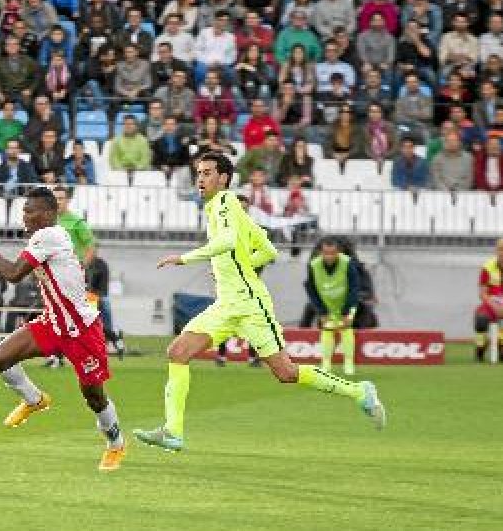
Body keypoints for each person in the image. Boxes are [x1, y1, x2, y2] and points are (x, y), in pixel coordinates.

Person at [133, 152, 385, 452]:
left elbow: (227, 242)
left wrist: (185, 258)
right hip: (228, 303)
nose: (201, 178)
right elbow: (268, 250)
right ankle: (173, 432)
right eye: (198, 173)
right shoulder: (228, 209)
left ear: (224, 178)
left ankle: (359, 391)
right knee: (177, 352)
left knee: (286, 373)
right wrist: (238, 268)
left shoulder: (225, 203)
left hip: (251, 305)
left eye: (208, 173)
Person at [0, 187, 127, 472]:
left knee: (94, 396)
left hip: (80, 329)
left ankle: (116, 443)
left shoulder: (49, 235)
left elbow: (14, 274)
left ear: (49, 214)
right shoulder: (46, 236)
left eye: (30, 211)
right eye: (23, 211)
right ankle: (34, 398)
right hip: (53, 323)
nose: (25, 216)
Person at [305, 239, 362, 376]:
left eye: (332, 253)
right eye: (326, 253)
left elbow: (354, 288)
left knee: (346, 329)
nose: (329, 256)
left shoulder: (348, 263)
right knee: (327, 330)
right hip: (327, 305)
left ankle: (348, 363)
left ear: (338, 252)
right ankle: (326, 363)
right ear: (321, 253)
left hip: (346, 303)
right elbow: (311, 290)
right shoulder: (313, 265)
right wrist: (321, 311)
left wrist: (347, 311)